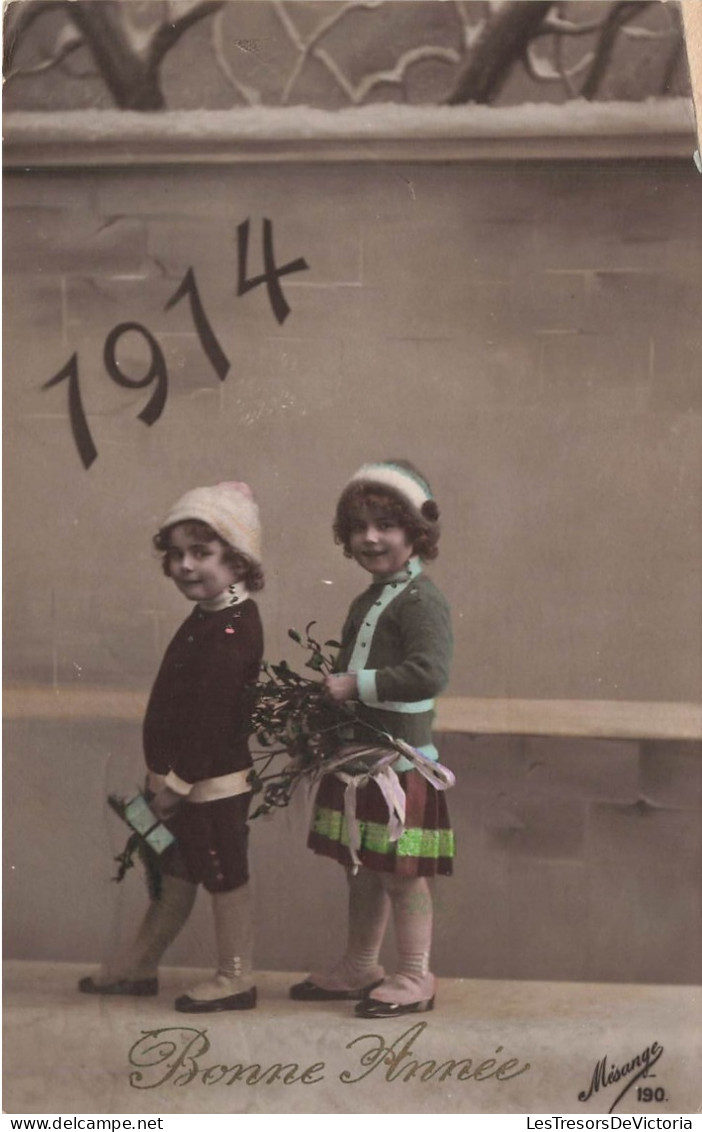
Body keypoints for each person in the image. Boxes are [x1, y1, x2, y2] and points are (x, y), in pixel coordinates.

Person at [79, 481, 264, 1013]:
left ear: (240, 560)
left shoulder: (232, 628)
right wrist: (160, 775)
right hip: (179, 783)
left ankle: (236, 976)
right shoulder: (208, 616)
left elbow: (212, 721)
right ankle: (140, 963)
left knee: (223, 871)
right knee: (176, 868)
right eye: (177, 554)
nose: (184, 565)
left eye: (201, 553)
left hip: (209, 786)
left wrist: (176, 783)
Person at [290, 460, 454, 1018]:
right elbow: (347, 676)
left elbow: (429, 673)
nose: (370, 537)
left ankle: (414, 975)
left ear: (416, 533)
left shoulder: (422, 601)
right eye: (358, 526)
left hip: (399, 764)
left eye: (386, 524)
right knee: (362, 866)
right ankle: (361, 964)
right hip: (360, 757)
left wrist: (355, 685)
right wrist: (325, 722)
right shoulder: (369, 598)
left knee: (403, 876)